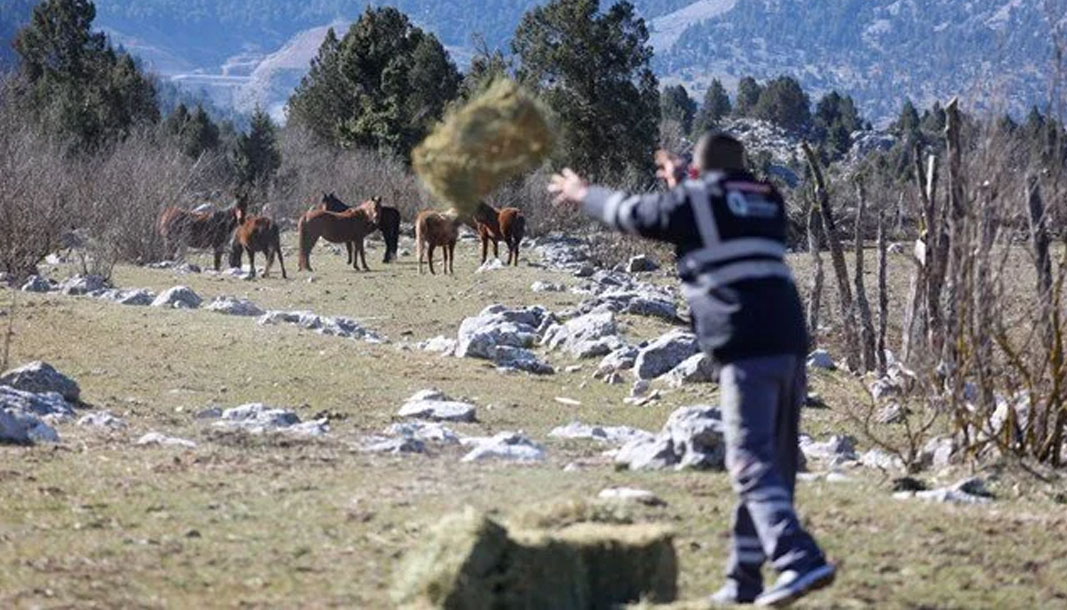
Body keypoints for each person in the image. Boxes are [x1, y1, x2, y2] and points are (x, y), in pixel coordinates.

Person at [548, 132, 835, 607]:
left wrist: (583, 193)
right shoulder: (767, 200)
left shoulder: (695, 201)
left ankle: (798, 557)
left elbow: (634, 214)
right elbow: (718, 204)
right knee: (774, 466)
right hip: (788, 342)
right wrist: (686, 179)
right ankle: (743, 583)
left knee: (748, 461)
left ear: (698, 173)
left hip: (745, 343)